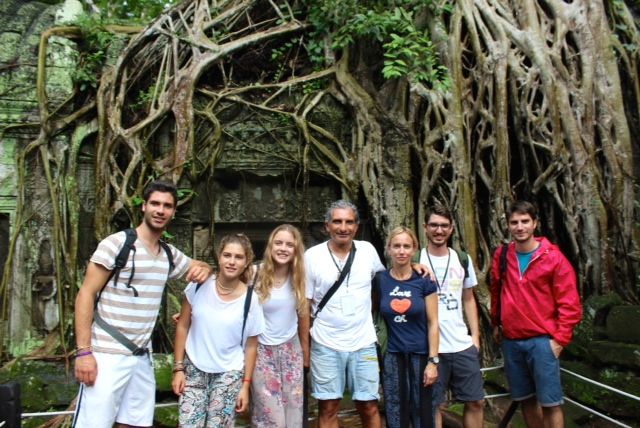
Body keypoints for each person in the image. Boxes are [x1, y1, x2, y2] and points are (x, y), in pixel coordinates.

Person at [73, 180, 212, 428]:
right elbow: (86, 294)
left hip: (141, 356)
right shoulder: (117, 245)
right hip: (107, 354)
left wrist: (206, 270)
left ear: (173, 212)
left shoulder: (168, 255)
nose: (160, 210)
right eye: (155, 204)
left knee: (135, 423)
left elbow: (201, 267)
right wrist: (84, 352)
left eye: (167, 206)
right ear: (144, 206)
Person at [490, 200, 582, 428]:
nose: (519, 227)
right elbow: (496, 291)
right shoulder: (502, 255)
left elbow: (570, 304)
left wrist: (559, 341)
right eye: (514, 222)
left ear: (535, 223)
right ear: (508, 225)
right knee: (526, 400)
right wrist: (496, 323)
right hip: (511, 341)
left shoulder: (553, 258)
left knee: (551, 403)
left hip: (542, 342)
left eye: (525, 221)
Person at [304, 200, 386, 428]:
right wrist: (305, 347)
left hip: (364, 342)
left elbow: (382, 283)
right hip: (325, 342)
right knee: (329, 407)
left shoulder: (367, 251)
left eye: (349, 222)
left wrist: (417, 267)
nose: (343, 227)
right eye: (337, 221)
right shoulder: (312, 256)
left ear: (356, 226)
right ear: (327, 226)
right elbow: (305, 304)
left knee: (369, 405)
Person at [172, 233, 264, 427]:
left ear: (247, 262)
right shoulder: (199, 286)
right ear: (219, 257)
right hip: (194, 368)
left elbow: (251, 346)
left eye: (238, 257)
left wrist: (245, 386)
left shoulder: (250, 300)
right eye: (227, 255)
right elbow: (183, 325)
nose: (231, 262)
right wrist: (178, 368)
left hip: (228, 373)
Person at [419, 205, 484, 428]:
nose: (439, 230)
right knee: (433, 405)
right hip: (430, 348)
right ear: (425, 227)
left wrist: (475, 337)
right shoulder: (415, 261)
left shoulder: (462, 259)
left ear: (452, 228)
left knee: (476, 401)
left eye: (444, 225)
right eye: (434, 225)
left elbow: (468, 298)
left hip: (462, 345)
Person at [375, 227, 439, 428]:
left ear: (414, 249)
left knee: (423, 411)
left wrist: (433, 362)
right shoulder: (380, 280)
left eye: (406, 246)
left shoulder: (424, 280)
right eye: (397, 246)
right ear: (389, 249)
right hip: (393, 355)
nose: (401, 251)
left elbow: (433, 322)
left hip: (420, 355)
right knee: (395, 411)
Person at [251, 224, 309, 427]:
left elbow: (304, 316)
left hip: (291, 350)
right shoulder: (253, 274)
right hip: (261, 352)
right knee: (271, 416)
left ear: (296, 250)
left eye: (289, 245)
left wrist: (305, 352)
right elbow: (225, 290)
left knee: (294, 411)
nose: (283, 248)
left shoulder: (300, 278)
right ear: (270, 246)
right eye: (279, 243)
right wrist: (192, 311)